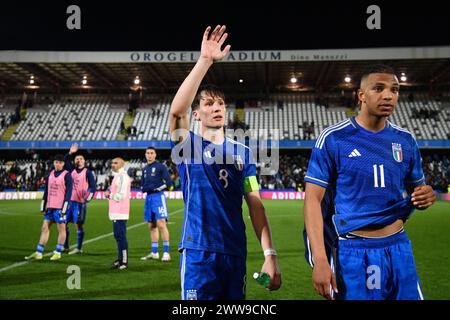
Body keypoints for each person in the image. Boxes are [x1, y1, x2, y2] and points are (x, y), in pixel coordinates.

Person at [303, 64, 436, 300]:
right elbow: (313, 199)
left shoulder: (405, 140)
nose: (388, 95)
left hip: (399, 246)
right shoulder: (334, 138)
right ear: (361, 95)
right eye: (379, 88)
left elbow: (419, 189)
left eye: (394, 90)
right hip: (353, 252)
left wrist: (426, 196)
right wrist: (321, 260)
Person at [169, 25, 281, 300]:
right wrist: (205, 61)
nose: (217, 107)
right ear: (196, 115)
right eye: (208, 104)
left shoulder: (243, 152)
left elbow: (255, 203)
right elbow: (176, 111)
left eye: (220, 103)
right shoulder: (188, 145)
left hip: (234, 251)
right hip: (198, 252)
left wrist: (270, 255)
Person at [25, 154, 73, 261]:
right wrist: (43, 204)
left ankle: (58, 252)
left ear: (63, 164)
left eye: (60, 162)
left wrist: (65, 208)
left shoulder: (67, 175)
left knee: (61, 229)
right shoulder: (50, 174)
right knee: (44, 228)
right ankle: (38, 252)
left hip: (60, 207)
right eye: (56, 162)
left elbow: (69, 193)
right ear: (54, 163)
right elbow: (46, 191)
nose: (58, 164)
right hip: (50, 207)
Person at [140, 147, 172, 262]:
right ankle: (154, 252)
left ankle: (166, 252)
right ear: (145, 154)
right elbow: (142, 185)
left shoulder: (160, 166)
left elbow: (168, 182)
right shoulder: (144, 169)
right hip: (148, 198)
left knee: (161, 224)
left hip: (158, 198)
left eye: (151, 153)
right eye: (147, 153)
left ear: (155, 155)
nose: (149, 155)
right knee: (152, 226)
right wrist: (145, 188)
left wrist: (157, 189)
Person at [63, 143, 97, 254]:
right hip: (69, 202)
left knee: (78, 224)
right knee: (64, 223)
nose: (79, 160)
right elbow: (64, 161)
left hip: (80, 203)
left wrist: (87, 198)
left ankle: (78, 248)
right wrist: (70, 153)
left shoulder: (88, 172)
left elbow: (93, 187)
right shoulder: (71, 170)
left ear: (84, 161)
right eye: (77, 158)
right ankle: (65, 246)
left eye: (81, 159)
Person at [105, 157, 131, 270]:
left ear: (122, 164)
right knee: (118, 236)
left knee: (121, 236)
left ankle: (124, 261)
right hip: (116, 212)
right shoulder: (117, 176)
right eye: (112, 163)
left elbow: (121, 195)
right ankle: (120, 259)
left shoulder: (122, 177)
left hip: (120, 211)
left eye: (116, 163)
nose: (113, 165)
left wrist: (109, 195)